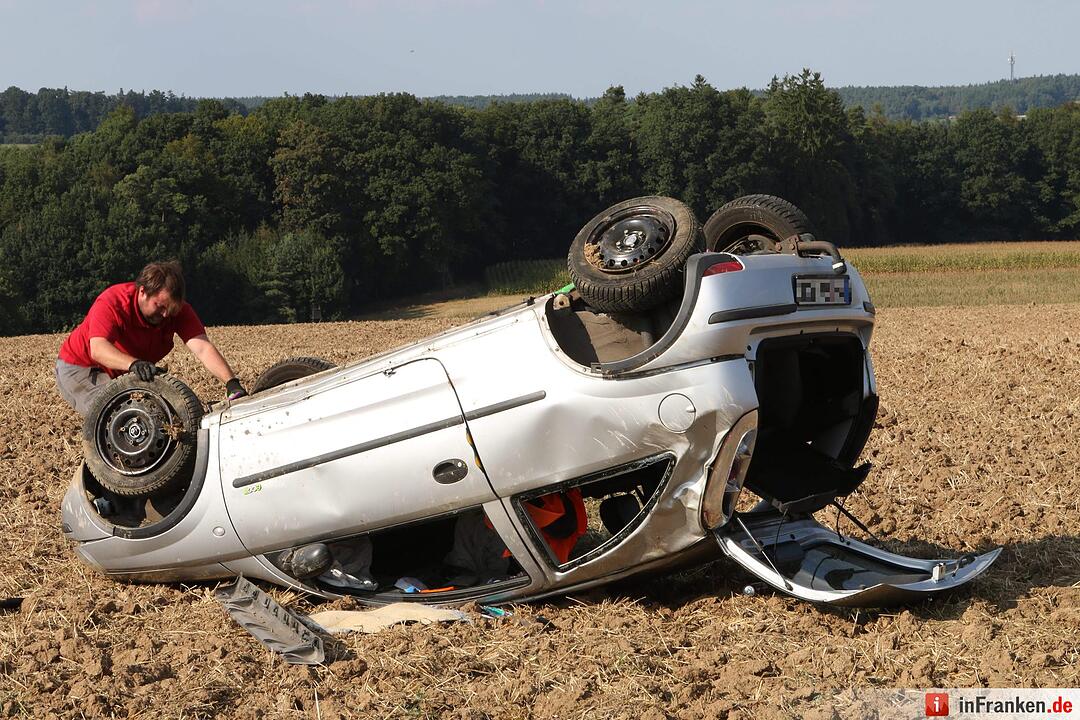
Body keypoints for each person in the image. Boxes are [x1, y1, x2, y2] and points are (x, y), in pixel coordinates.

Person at [55, 260, 247, 415]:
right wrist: (134, 364)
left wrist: (231, 383)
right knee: (117, 416)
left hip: (121, 370)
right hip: (82, 367)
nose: (165, 315)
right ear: (142, 292)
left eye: (171, 310)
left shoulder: (176, 311)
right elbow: (98, 349)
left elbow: (203, 348)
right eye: (160, 306)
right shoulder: (113, 302)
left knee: (160, 413)